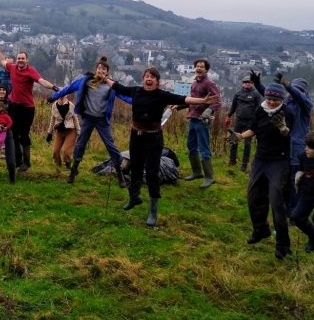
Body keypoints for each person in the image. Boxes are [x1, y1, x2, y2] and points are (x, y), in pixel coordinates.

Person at [105, 67, 219, 227]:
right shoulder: (136, 91)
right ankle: (134, 197)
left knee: (152, 173)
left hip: (153, 138)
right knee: (135, 168)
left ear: (157, 81)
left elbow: (183, 99)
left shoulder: (162, 95)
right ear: (143, 79)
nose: (148, 78)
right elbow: (118, 87)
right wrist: (104, 79)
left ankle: (153, 212)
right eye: (146, 76)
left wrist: (202, 101)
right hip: (136, 136)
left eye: (152, 77)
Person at [225, 83, 295, 259]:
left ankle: (282, 244)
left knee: (276, 202)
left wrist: (282, 127)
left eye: (275, 100)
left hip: (279, 160)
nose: (272, 102)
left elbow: (288, 133)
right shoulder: (260, 110)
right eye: (269, 99)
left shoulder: (288, 112)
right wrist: (240, 136)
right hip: (261, 159)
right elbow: (253, 130)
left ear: (281, 99)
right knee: (253, 197)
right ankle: (261, 229)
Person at [47, 58, 131, 186]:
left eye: (104, 69)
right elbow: (68, 89)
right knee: (80, 144)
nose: (101, 70)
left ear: (107, 72)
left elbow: (127, 97)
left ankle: (120, 175)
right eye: (99, 68)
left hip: (102, 120)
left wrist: (144, 102)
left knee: (110, 145)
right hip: (88, 118)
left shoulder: (111, 86)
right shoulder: (86, 81)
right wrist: (53, 97)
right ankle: (74, 170)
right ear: (96, 69)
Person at [0, 35, 60, 171]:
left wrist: (54, 87)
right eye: (19, 58)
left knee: (24, 134)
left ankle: (27, 162)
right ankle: (18, 160)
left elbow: (42, 81)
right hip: (14, 105)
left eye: (23, 58)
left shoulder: (30, 71)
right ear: (16, 60)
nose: (20, 60)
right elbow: (2, 61)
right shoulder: (13, 68)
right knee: (13, 132)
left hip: (27, 107)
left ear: (27, 60)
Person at [251, 70, 314, 215]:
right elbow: (270, 94)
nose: (292, 93)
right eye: (291, 90)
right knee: (283, 180)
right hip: (283, 146)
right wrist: (257, 83)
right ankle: (284, 209)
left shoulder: (306, 105)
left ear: (303, 92)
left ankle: (294, 212)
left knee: (294, 181)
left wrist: (288, 85)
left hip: (297, 148)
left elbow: (299, 97)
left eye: (297, 90)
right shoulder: (286, 103)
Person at [173, 58, 222, 189]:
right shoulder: (194, 83)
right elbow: (193, 100)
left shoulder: (209, 83)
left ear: (206, 70)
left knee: (204, 148)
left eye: (202, 67)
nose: (199, 68)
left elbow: (217, 101)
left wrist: (208, 111)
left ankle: (209, 177)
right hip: (193, 119)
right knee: (191, 146)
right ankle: (197, 172)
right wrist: (179, 106)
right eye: (197, 66)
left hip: (202, 120)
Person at [226, 75, 262, 171]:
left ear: (252, 84)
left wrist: (258, 120)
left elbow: (259, 108)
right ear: (242, 83)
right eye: (246, 82)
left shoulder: (256, 94)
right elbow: (233, 106)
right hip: (239, 120)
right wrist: (228, 116)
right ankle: (232, 160)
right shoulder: (238, 94)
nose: (247, 84)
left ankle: (244, 164)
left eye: (249, 82)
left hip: (250, 122)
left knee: (247, 143)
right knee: (234, 140)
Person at [45, 94, 80, 169]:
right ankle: (58, 166)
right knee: (55, 151)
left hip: (70, 131)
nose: (61, 96)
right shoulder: (54, 106)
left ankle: (68, 164)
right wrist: (49, 132)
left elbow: (75, 119)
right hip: (59, 132)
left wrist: (78, 132)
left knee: (65, 151)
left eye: (63, 94)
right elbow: (53, 119)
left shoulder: (71, 105)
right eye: (59, 94)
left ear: (66, 96)